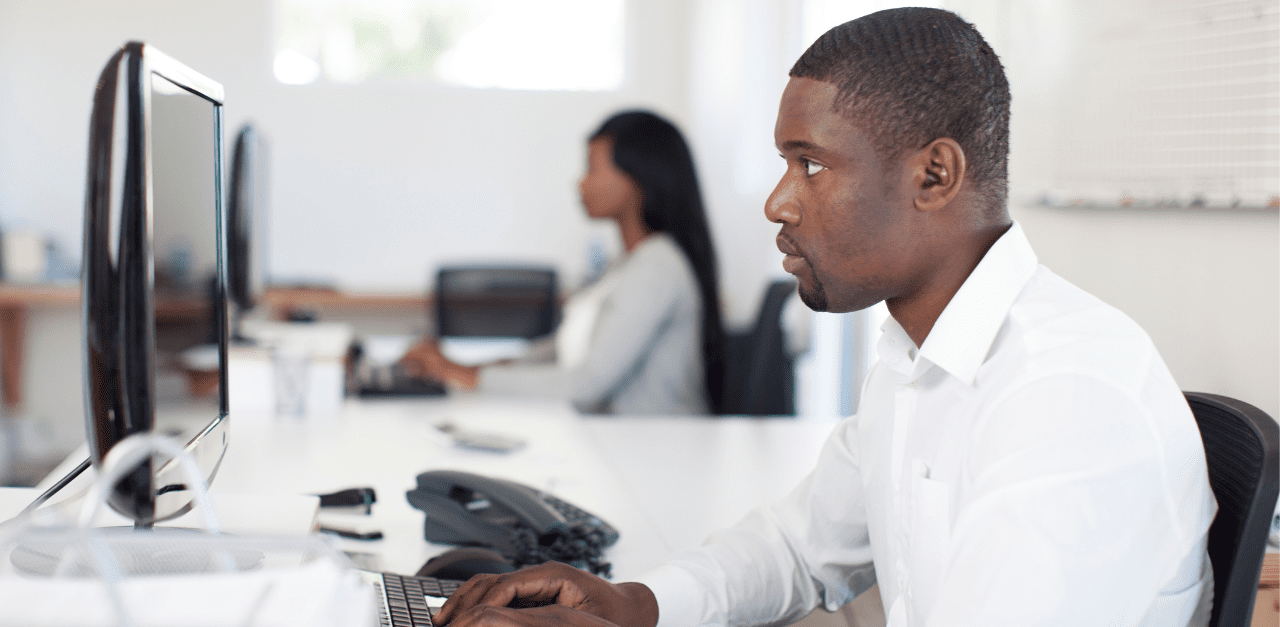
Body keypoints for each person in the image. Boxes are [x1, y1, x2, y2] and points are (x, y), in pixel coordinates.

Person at [432, 8, 1216, 627]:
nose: (778, 201)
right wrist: (639, 604)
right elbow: (798, 545)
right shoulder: (916, 359)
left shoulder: (1067, 396)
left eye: (809, 163)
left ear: (935, 174)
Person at [402, 110, 725, 415]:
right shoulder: (626, 264)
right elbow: (556, 351)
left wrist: (465, 374)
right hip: (614, 442)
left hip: (657, 452)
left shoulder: (657, 267)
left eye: (592, 168)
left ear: (636, 178)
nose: (580, 183)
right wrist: (466, 368)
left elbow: (586, 383)